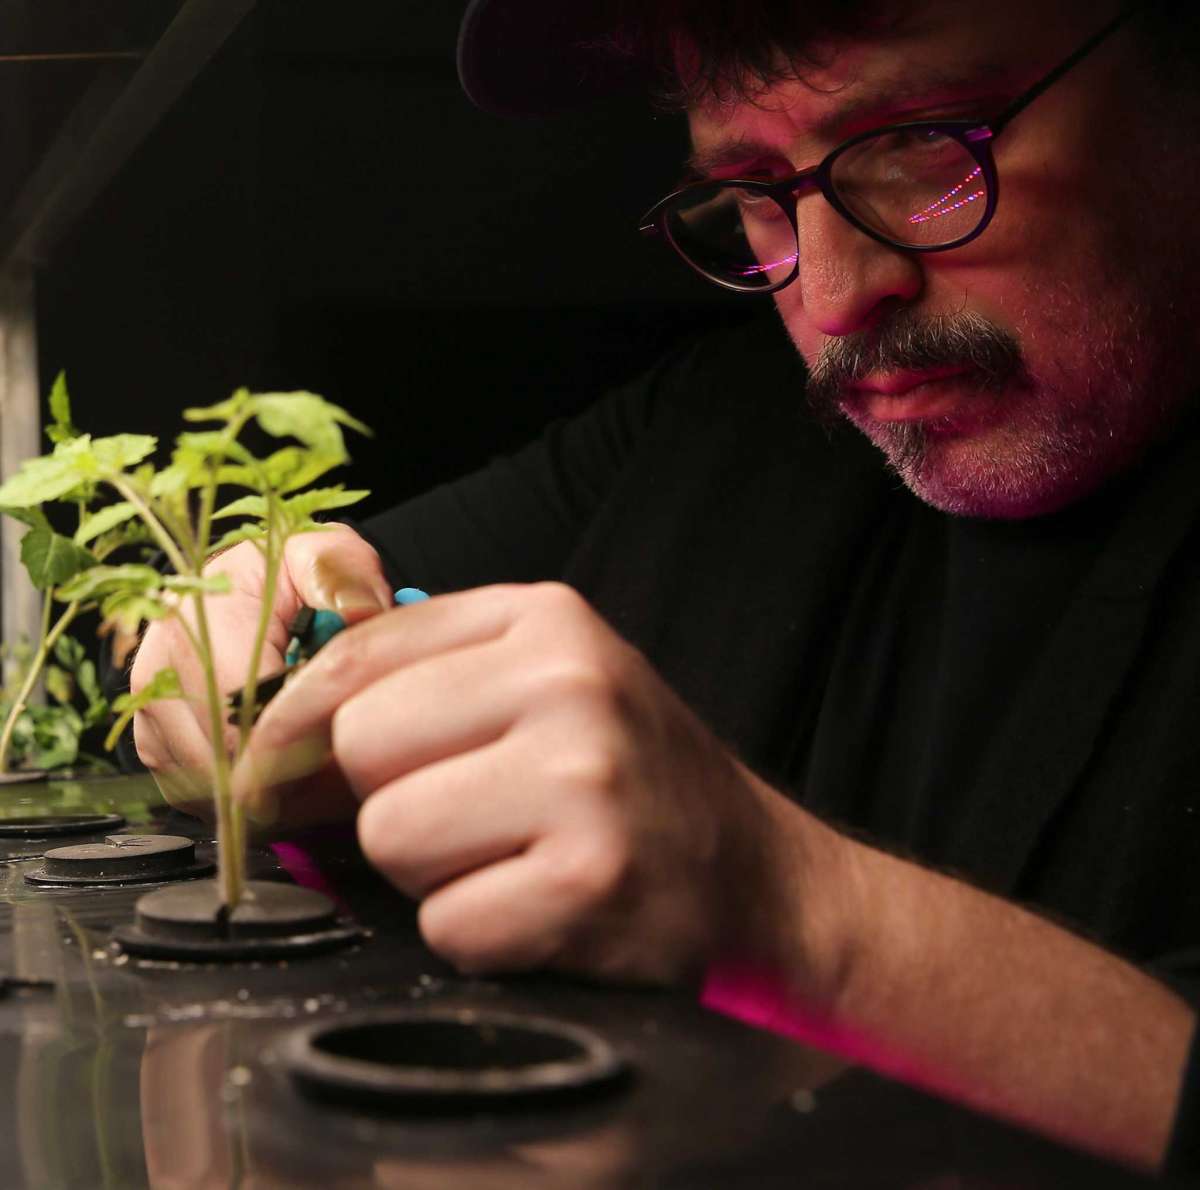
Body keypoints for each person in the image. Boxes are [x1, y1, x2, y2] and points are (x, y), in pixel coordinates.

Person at [131, 0, 1200, 1175]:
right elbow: (286, 602)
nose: (837, 297)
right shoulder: (726, 425)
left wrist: (799, 910)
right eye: (754, 186)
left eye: (925, 142)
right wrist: (236, 631)